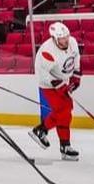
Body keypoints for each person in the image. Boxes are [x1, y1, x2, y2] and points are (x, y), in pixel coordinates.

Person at [32, 22, 83, 159]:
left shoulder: (72, 42)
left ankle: (63, 145)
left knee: (66, 112)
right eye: (62, 38)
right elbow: (43, 75)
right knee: (63, 111)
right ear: (55, 38)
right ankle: (42, 131)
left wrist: (76, 76)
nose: (66, 40)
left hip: (62, 80)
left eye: (66, 36)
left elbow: (76, 57)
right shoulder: (47, 51)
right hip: (48, 84)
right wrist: (59, 86)